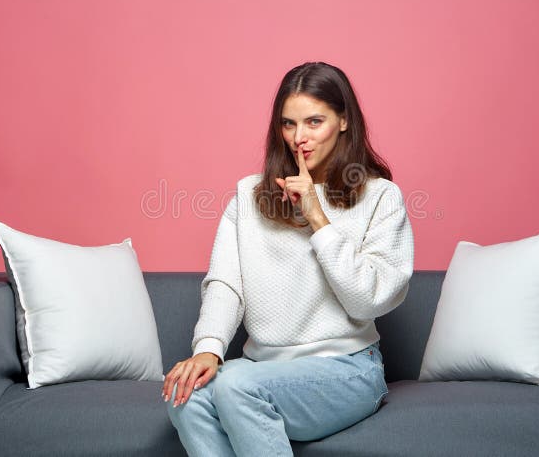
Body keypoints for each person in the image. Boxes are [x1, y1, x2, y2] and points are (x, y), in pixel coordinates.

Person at [162, 61, 414, 456]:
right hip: (262, 369)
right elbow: (226, 285)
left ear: (344, 121)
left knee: (235, 385)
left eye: (315, 122)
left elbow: (370, 299)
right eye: (289, 124)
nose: (300, 138)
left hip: (348, 368)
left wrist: (317, 216)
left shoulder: (381, 197)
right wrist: (208, 349)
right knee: (184, 394)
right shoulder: (248, 196)